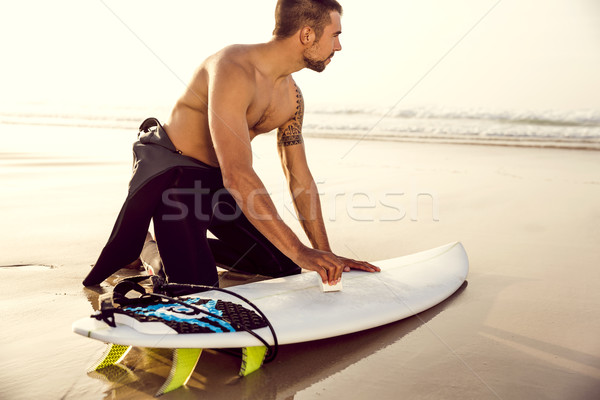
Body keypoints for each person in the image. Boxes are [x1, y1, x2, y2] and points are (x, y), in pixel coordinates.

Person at [83, 0, 380, 290]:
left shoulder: (293, 98)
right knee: (193, 288)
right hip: (178, 180)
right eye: (335, 35)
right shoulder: (233, 68)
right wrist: (302, 250)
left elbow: (299, 177)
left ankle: (180, 247)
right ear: (307, 34)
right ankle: (150, 249)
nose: (338, 46)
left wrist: (324, 255)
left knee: (283, 265)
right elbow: (237, 173)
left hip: (218, 185)